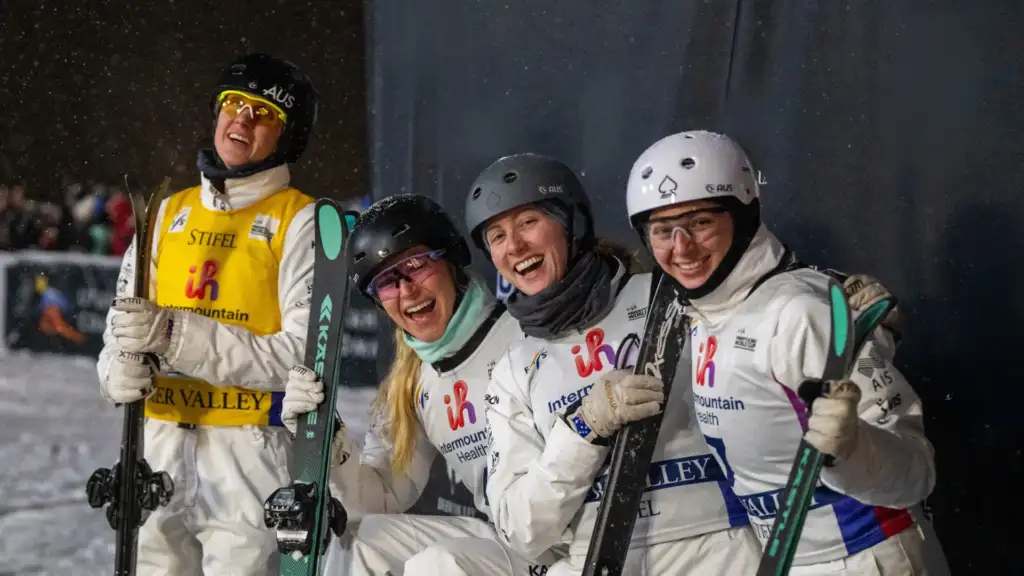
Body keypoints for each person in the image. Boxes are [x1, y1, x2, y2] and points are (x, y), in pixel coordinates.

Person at [623, 130, 949, 574]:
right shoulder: (701, 314)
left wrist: (853, 448)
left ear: (743, 216)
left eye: (700, 222)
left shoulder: (799, 311)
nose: (682, 247)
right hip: (789, 561)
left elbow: (917, 469)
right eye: (662, 230)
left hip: (865, 555)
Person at [467, 152, 763, 575]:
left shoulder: (671, 294)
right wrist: (583, 428)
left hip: (713, 545)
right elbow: (521, 530)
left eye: (529, 222)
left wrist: (842, 315)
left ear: (572, 223)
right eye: (496, 237)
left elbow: (772, 321)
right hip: (597, 557)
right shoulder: (515, 368)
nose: (514, 246)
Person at [96, 53, 319, 575]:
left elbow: (301, 358)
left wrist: (175, 335)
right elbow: (118, 332)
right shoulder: (167, 213)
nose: (241, 119)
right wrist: (115, 372)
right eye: (233, 104)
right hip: (157, 445)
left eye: (263, 112)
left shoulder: (299, 219)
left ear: (286, 137)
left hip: (248, 451)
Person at [279, 195, 563, 575]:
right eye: (386, 282)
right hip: (507, 541)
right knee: (363, 538)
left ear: (450, 261)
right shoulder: (412, 380)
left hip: (566, 542)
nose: (407, 290)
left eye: (415, 265)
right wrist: (331, 445)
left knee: (439, 566)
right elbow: (381, 498)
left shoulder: (522, 337)